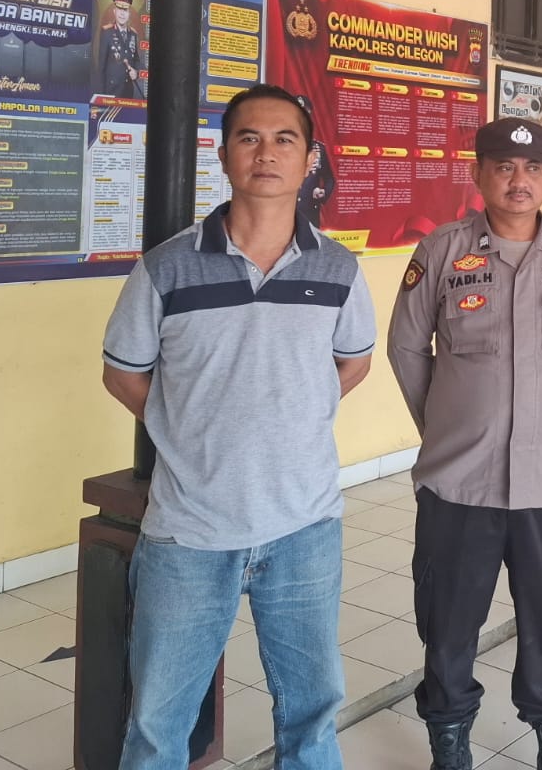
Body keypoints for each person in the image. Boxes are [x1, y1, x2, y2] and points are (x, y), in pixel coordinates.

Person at [101, 83, 375, 770]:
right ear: (223, 156)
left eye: (285, 139)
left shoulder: (338, 268)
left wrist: (288, 414)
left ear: (309, 159)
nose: (266, 153)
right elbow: (123, 374)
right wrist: (189, 426)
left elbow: (353, 364)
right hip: (190, 532)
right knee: (158, 724)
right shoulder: (167, 266)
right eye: (249, 138)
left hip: (305, 527)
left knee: (312, 716)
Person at [387, 118, 542, 770]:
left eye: (533, 168)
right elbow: (407, 348)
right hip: (460, 482)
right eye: (505, 167)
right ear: (478, 174)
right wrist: (450, 424)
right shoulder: (441, 251)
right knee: (448, 625)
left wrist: (536, 411)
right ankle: (450, 743)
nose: (520, 180)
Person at [294, 95, 338, 226]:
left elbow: (329, 178)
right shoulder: (278, 146)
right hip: (284, 212)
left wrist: (323, 192)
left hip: (310, 213)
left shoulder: (318, 148)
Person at [97, 0, 144, 97]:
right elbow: (101, 67)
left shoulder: (133, 34)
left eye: (125, 10)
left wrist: (137, 73)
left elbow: (136, 60)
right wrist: (101, 97)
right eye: (119, 9)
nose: (122, 14)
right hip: (111, 92)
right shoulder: (107, 32)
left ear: (129, 13)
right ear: (114, 11)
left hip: (128, 93)